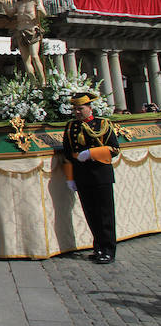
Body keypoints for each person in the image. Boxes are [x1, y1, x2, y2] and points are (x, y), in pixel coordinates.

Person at [62, 92, 120, 264]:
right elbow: (68, 154)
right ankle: (98, 247)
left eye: (80, 108)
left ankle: (108, 249)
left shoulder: (103, 124)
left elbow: (115, 149)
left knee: (105, 214)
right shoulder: (71, 126)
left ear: (89, 108)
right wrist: (70, 177)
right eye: (75, 109)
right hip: (82, 175)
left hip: (100, 174)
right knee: (91, 213)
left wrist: (91, 153)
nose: (77, 112)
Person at [4, 0, 47, 85]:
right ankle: (33, 84)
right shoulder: (19, 4)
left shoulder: (36, 0)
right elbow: (10, 13)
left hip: (32, 30)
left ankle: (43, 83)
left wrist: (40, 9)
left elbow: (43, 15)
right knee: (25, 60)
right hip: (20, 31)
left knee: (34, 56)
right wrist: (2, 3)